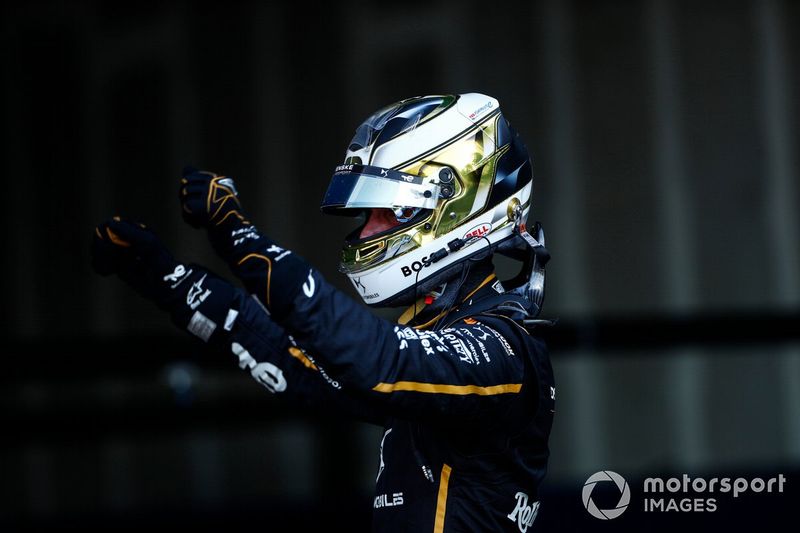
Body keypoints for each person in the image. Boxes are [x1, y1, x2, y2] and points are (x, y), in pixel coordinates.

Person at [91, 93, 555, 532]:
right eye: (365, 212)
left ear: (458, 206)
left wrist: (236, 233)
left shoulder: (507, 350)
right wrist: (169, 279)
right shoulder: (443, 349)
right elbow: (300, 365)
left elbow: (380, 361)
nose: (366, 230)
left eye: (388, 212)